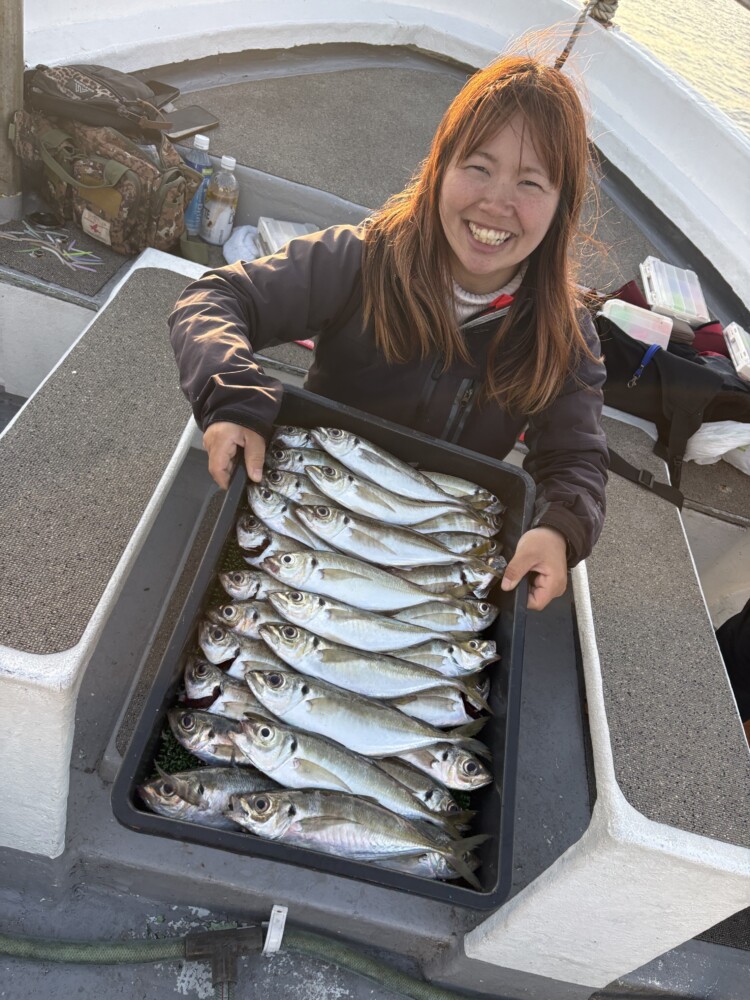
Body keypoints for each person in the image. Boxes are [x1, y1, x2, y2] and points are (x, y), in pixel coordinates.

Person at [169, 53, 608, 612]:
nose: (496, 203)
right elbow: (215, 299)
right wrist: (231, 397)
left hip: (437, 553)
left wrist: (559, 529)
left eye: (530, 182)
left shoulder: (565, 335)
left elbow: (576, 459)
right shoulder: (360, 259)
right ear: (439, 167)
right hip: (307, 507)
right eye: (478, 167)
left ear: (560, 206)